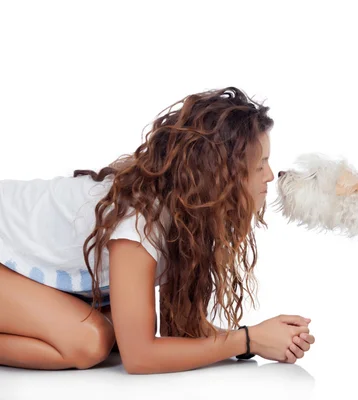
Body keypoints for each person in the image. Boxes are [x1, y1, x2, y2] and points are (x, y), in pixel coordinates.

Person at [0, 87, 315, 374]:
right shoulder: (138, 220)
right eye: (260, 165)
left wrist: (261, 336)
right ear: (219, 176)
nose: (270, 176)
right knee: (89, 341)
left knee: (114, 330)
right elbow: (140, 357)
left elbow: (180, 331)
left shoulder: (187, 218)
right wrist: (248, 340)